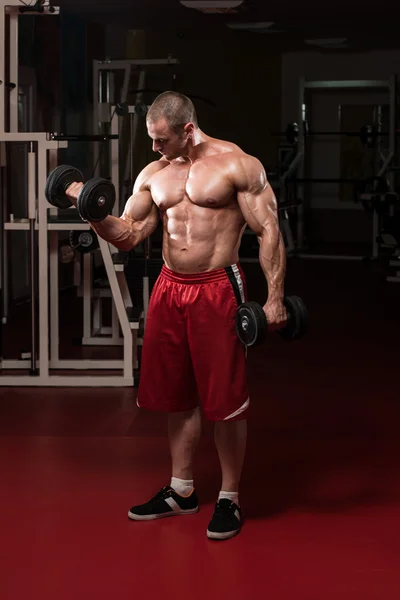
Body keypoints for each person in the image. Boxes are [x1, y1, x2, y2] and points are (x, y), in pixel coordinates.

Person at [66, 91, 287, 541]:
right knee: (176, 394)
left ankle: (229, 497)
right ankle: (182, 490)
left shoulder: (236, 165)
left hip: (216, 287)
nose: (154, 149)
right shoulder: (154, 175)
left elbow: (269, 232)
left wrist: (275, 298)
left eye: (161, 140)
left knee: (224, 401)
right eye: (150, 140)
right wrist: (89, 209)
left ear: (188, 129)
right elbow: (127, 235)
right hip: (170, 288)